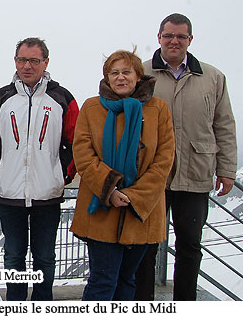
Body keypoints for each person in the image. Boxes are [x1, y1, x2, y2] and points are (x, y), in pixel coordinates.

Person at [134, 13, 237, 301]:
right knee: (146, 245)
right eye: (168, 35)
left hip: (195, 172)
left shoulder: (212, 77)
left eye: (180, 36)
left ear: (190, 40)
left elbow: (224, 124)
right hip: (151, 175)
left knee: (190, 245)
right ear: (159, 37)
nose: (174, 41)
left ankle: (185, 306)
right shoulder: (141, 74)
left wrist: (227, 169)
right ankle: (143, 305)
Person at [0, 37, 79, 301]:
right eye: (22, 60)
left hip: (48, 194)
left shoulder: (62, 98)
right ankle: (16, 305)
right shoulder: (2, 97)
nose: (27, 66)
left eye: (34, 60)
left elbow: (77, 141)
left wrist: (62, 174)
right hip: (9, 193)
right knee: (13, 256)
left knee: (44, 257)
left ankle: (42, 305)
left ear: (46, 62)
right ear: (15, 61)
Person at [69, 49, 175, 301]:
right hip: (102, 207)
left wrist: (134, 196)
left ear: (138, 75)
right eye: (114, 72)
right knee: (102, 280)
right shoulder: (92, 108)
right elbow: (83, 154)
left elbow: (164, 159)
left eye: (126, 72)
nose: (120, 77)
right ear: (107, 77)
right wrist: (111, 190)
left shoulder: (158, 109)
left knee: (128, 279)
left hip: (140, 211)